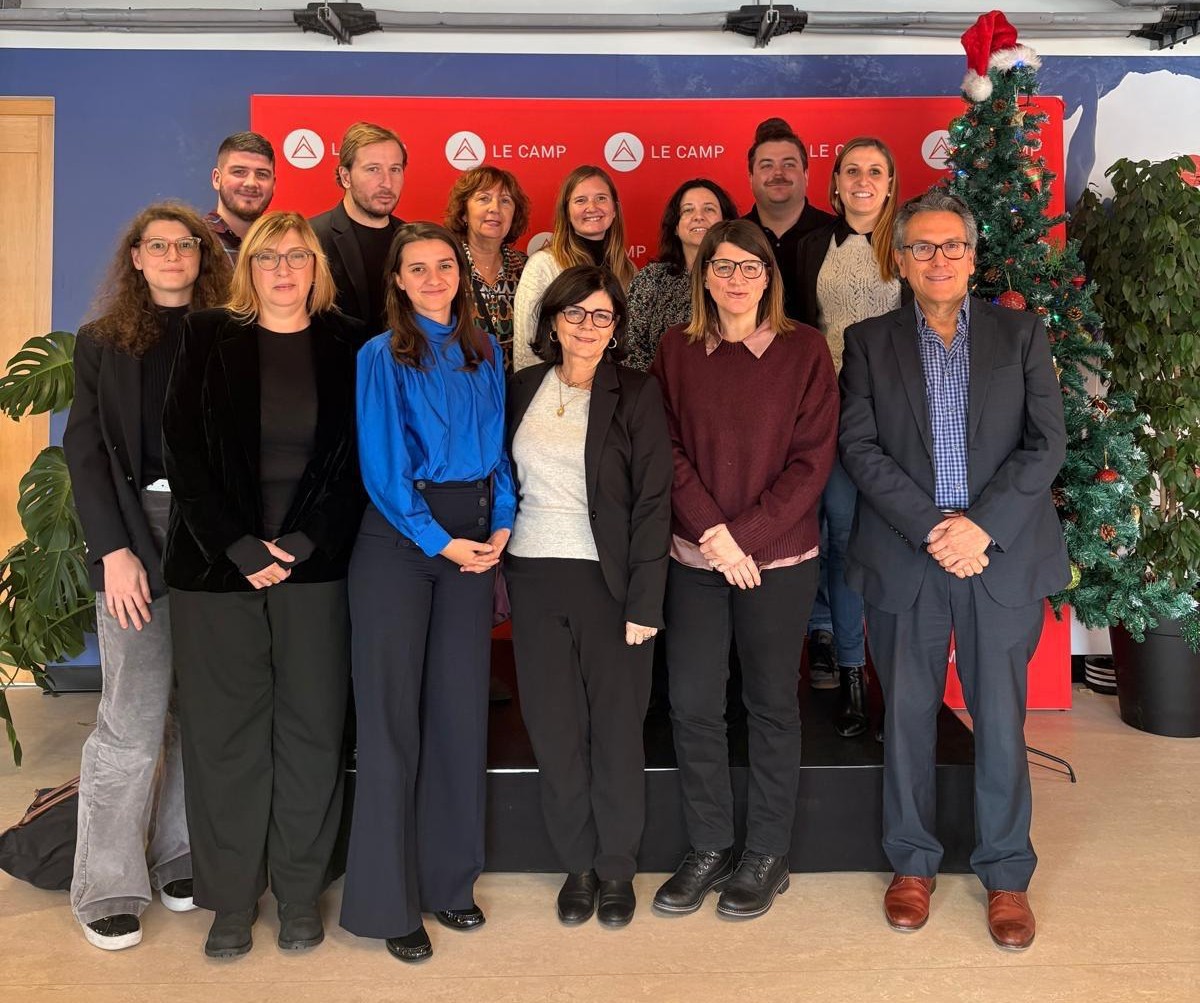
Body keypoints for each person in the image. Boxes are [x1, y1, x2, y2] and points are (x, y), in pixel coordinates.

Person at [839, 189, 1068, 951]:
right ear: (901, 260)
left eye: (953, 246)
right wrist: (936, 527)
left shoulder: (1021, 333)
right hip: (908, 553)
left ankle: (1006, 872)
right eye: (922, 247)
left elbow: (1046, 442)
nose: (938, 259)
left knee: (1000, 718)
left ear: (972, 256)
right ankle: (912, 862)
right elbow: (860, 447)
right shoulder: (869, 342)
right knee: (906, 714)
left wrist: (980, 527)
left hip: (997, 555)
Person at [162, 210, 366, 958]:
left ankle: (300, 892)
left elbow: (361, 459)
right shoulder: (206, 335)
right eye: (268, 256)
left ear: (317, 268)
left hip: (316, 569)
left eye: (297, 256)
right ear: (247, 266)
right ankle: (231, 898)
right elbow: (182, 451)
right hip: (217, 570)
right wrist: (240, 545)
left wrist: (303, 543)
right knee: (224, 738)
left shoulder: (351, 343)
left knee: (312, 730)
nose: (284, 269)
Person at [649, 220, 837, 920]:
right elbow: (665, 450)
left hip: (778, 561)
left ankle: (766, 851)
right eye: (723, 266)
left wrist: (746, 539)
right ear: (704, 274)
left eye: (750, 267)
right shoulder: (676, 349)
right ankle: (709, 845)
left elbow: (812, 461)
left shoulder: (805, 349)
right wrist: (716, 538)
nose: (736, 279)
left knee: (770, 704)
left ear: (769, 277)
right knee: (695, 704)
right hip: (696, 557)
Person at [340, 222, 516, 965]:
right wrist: (438, 540)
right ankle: (387, 903)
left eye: (445, 265)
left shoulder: (486, 349)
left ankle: (450, 881)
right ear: (399, 281)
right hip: (401, 544)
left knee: (458, 716)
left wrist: (502, 522)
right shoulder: (380, 355)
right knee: (391, 725)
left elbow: (499, 452)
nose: (435, 277)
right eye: (418, 268)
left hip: (474, 541)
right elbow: (381, 466)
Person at [63, 202, 231, 951]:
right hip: (138, 533)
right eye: (155, 245)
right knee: (131, 718)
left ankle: (179, 857)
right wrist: (115, 552)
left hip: (213, 537)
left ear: (202, 255)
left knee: (199, 711)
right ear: (135, 257)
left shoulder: (228, 334)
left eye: (184, 244)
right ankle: (107, 886)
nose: (171, 256)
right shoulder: (103, 342)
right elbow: (86, 453)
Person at [506, 266, 672, 927]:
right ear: (553, 320)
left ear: (616, 327)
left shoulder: (637, 392)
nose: (587, 326)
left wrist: (645, 602)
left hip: (610, 584)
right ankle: (576, 865)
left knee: (616, 731)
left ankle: (617, 866)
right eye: (575, 313)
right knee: (555, 729)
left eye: (602, 315)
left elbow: (654, 502)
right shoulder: (521, 387)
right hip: (532, 576)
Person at [794, 136, 903, 734]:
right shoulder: (813, 246)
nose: (863, 181)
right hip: (828, 416)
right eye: (852, 170)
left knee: (882, 545)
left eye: (875, 171)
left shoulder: (909, 245)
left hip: (892, 423)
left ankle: (883, 675)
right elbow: (796, 334)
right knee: (837, 540)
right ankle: (847, 669)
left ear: (890, 183)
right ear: (835, 183)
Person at [513, 165, 636, 371]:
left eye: (601, 198)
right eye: (580, 200)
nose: (592, 207)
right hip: (559, 386)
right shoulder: (543, 265)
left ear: (614, 209)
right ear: (566, 212)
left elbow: (631, 341)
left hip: (615, 385)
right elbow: (526, 347)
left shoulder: (628, 269)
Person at [624, 178, 738, 372]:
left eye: (709, 209)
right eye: (688, 210)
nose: (698, 217)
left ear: (726, 222)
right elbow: (629, 348)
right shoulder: (651, 279)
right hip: (657, 386)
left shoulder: (742, 278)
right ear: (676, 227)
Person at [310, 121, 407, 333]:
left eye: (395, 169)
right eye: (373, 169)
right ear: (346, 177)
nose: (387, 182)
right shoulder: (312, 237)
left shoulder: (412, 239)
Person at [742, 117, 835, 320]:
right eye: (766, 165)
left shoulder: (836, 234)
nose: (778, 173)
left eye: (789, 164)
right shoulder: (733, 237)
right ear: (750, 178)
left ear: (806, 175)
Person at [444, 164, 532, 373]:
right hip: (462, 383)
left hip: (517, 387)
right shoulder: (447, 266)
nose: (495, 208)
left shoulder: (527, 268)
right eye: (484, 198)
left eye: (505, 201)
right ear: (464, 213)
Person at [205, 131, 276, 262]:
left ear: (274, 184)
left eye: (262, 174)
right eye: (239, 172)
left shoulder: (283, 246)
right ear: (217, 179)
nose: (251, 183)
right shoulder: (196, 242)